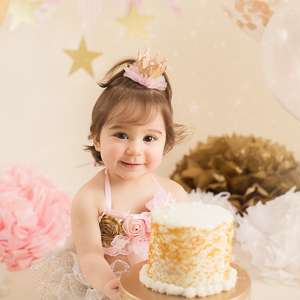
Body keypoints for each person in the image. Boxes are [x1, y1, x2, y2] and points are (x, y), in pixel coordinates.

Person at [33, 50, 189, 300]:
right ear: (96, 138)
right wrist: (108, 284)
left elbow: (185, 247)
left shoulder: (173, 194)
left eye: (149, 138)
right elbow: (90, 254)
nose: (135, 150)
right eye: (121, 135)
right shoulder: (90, 199)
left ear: (166, 144)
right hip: (112, 287)